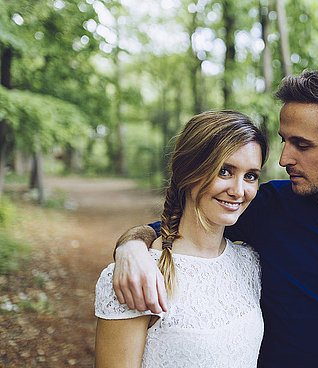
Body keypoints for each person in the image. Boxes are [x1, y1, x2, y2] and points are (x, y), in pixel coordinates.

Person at [113, 70, 318, 368]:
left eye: (302, 145)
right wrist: (131, 248)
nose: (284, 158)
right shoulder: (269, 206)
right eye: (284, 140)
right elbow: (175, 227)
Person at [94, 111, 268, 367]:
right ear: (188, 171)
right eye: (224, 171)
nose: (238, 191)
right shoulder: (136, 274)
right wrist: (130, 246)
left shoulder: (250, 263)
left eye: (250, 176)